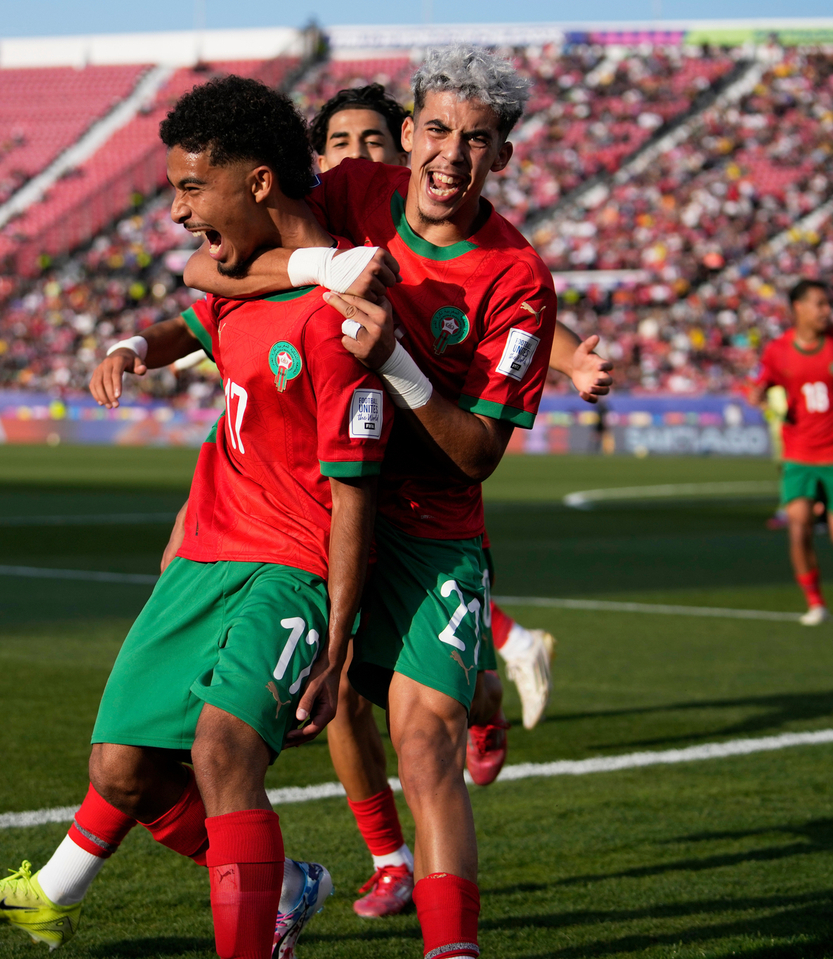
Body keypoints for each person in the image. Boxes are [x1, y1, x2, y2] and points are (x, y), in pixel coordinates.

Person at [0, 77, 393, 959]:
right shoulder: (241, 276)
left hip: (289, 566)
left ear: (258, 183)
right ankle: (283, 887)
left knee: (223, 753)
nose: (179, 211)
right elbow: (196, 311)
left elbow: (354, 503)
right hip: (205, 559)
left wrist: (335, 647)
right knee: (120, 768)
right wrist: (135, 345)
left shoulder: (340, 325)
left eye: (191, 188)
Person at [182, 47, 557, 959]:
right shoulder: (351, 189)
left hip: (430, 535)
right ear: (409, 132)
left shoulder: (518, 281)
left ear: (502, 154)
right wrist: (320, 269)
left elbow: (475, 455)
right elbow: (206, 270)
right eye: (435, 130)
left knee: (426, 749)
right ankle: (312, 885)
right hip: (313, 524)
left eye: (477, 139)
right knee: (226, 742)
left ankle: (450, 949)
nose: (450, 157)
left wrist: (393, 358)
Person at [748, 280, 833, 624]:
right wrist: (758, 394)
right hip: (799, 452)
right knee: (798, 526)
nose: (826, 311)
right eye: (819, 304)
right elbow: (763, 382)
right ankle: (816, 603)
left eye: (828, 304)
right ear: (798, 308)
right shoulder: (778, 350)